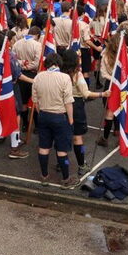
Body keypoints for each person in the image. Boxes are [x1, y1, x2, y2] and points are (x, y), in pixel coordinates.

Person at [31, 53, 75, 188]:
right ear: (58, 63)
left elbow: (35, 101)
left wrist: (42, 112)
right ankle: (66, 178)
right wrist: (71, 119)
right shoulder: (64, 78)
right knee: (62, 149)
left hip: (43, 115)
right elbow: (68, 102)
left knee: (44, 147)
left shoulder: (38, 77)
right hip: (60, 116)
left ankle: (44, 176)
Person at [62, 49, 108, 176]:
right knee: (78, 138)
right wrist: (102, 94)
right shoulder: (77, 75)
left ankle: (62, 163)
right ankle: (81, 165)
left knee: (63, 136)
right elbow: (86, 93)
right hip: (75, 106)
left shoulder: (60, 74)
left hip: (61, 106)